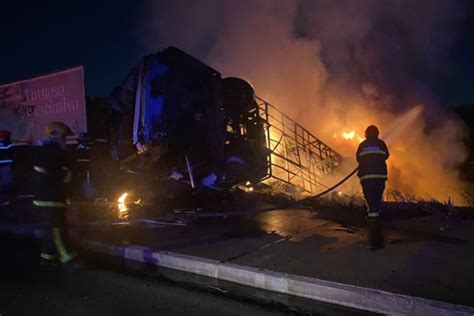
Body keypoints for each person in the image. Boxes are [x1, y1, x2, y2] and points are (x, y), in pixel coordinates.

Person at [33, 122, 77, 266]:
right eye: (63, 136)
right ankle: (67, 257)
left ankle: (46, 257)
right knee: (57, 229)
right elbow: (59, 174)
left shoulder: (45, 150)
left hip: (47, 197)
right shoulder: (52, 151)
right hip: (52, 198)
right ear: (54, 135)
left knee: (50, 229)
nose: (65, 140)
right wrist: (68, 175)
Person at [356, 125, 389, 249]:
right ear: (377, 133)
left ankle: (373, 223)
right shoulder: (381, 144)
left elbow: (358, 158)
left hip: (367, 177)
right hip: (380, 177)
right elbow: (386, 155)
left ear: (366, 134)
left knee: (370, 200)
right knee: (377, 197)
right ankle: (377, 216)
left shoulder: (362, 145)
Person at [0, 130, 14, 195]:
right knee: (7, 178)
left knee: (2, 178)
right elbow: (12, 152)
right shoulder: (8, 143)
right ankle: (8, 191)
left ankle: (3, 190)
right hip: (6, 163)